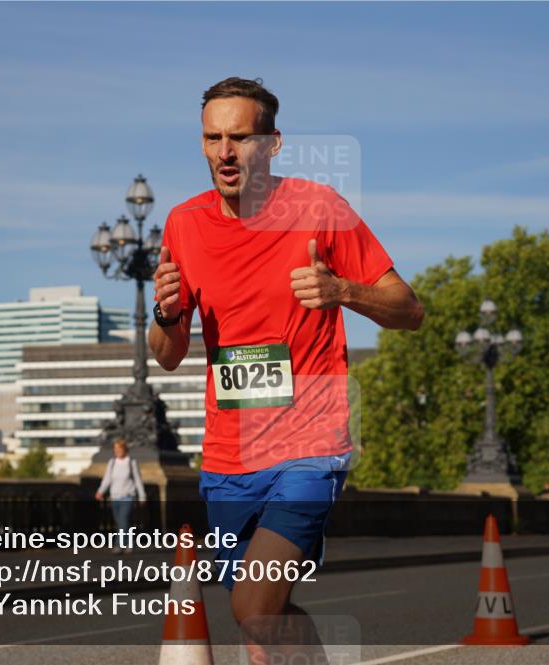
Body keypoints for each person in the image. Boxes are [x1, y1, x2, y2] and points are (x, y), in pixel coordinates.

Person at [148, 77, 423, 663]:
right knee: (261, 628)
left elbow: (409, 310)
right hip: (228, 457)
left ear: (272, 143)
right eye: (213, 138)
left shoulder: (319, 208)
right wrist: (164, 313)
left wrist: (342, 290)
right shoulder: (183, 223)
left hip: (309, 448)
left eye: (241, 137)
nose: (226, 152)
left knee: (253, 607)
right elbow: (167, 354)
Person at [95, 439, 146, 555]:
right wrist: (100, 491)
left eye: (119, 449)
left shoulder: (131, 462)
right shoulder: (112, 462)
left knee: (123, 520)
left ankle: (119, 545)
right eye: (115, 449)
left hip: (128, 496)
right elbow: (107, 479)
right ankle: (128, 543)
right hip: (115, 497)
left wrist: (142, 495)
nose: (117, 451)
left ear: (125, 449)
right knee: (120, 523)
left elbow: (138, 480)